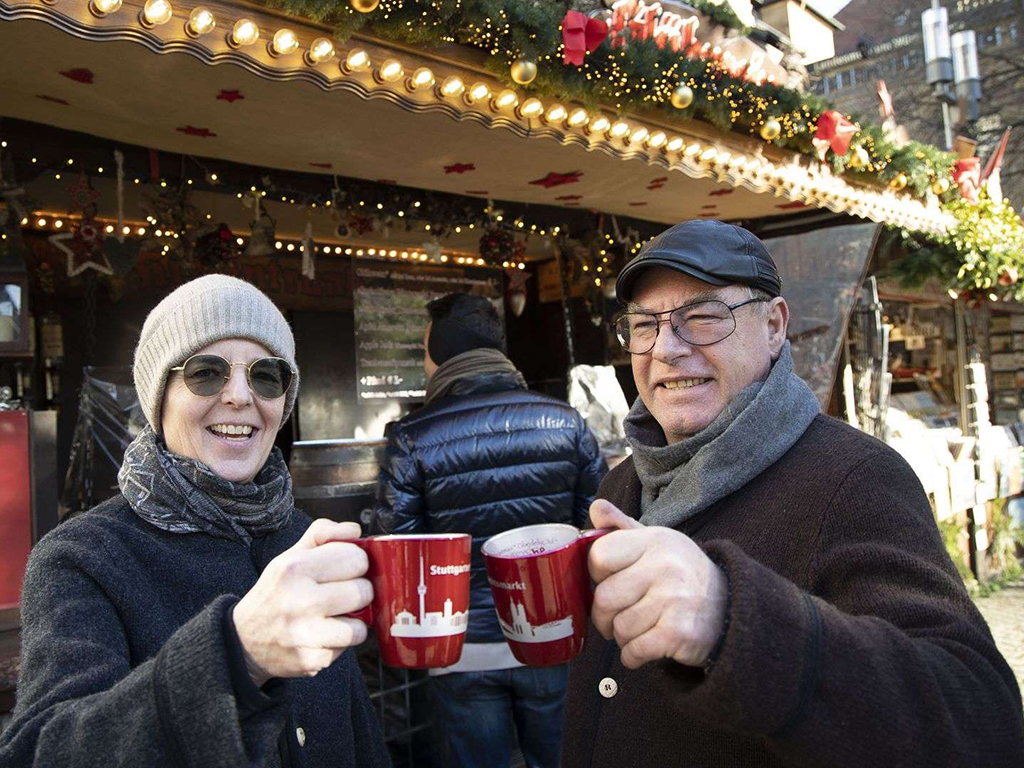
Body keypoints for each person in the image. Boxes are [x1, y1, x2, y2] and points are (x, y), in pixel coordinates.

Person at [561, 220, 1024, 767]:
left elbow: (981, 721)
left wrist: (729, 620)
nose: (665, 348)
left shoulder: (855, 478)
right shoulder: (622, 484)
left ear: (775, 326)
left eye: (702, 317)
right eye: (645, 325)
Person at [0, 274, 390, 767]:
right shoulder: (82, 559)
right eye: (206, 372)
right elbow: (42, 753)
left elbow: (358, 732)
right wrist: (236, 657)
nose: (240, 396)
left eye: (266, 376)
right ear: (159, 398)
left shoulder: (301, 535)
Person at [372, 292, 607, 768]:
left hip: (462, 651)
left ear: (442, 351)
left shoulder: (411, 438)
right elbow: (597, 524)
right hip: (552, 637)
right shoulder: (568, 423)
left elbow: (398, 547)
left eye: (425, 349)